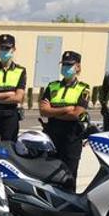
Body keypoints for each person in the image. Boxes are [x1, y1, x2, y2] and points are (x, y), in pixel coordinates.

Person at [39, 51, 90, 192]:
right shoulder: (52, 86)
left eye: (69, 65)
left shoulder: (84, 89)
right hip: (52, 135)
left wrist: (54, 112)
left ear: (78, 67)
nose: (66, 68)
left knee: (69, 175)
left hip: (72, 137)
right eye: (64, 64)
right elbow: (43, 111)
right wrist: (66, 109)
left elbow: (77, 114)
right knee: (50, 173)